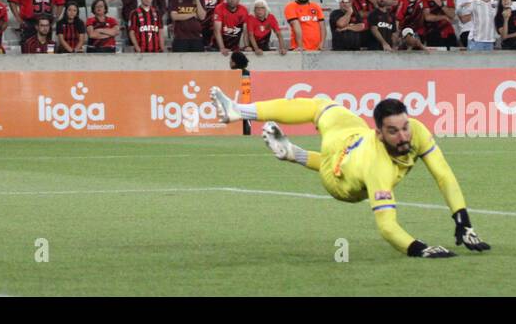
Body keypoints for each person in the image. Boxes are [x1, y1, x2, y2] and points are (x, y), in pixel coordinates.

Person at [209, 89, 490, 258]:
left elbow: (443, 174)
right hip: (338, 177)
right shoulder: (377, 168)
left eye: (404, 127)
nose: (404, 136)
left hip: (350, 133)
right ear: (379, 133)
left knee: (322, 104)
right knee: (335, 154)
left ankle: (252, 121)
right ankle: (277, 140)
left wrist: (462, 219)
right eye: (393, 131)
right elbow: (387, 228)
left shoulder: (415, 131)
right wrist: (419, 248)